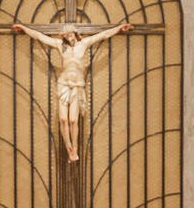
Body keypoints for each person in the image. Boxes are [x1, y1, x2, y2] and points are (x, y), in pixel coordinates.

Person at [11, 20, 133, 163]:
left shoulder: (84, 44)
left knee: (73, 120)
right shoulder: (60, 46)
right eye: (66, 35)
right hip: (64, 84)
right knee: (63, 119)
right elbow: (39, 37)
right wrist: (24, 28)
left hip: (77, 85)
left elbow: (104, 35)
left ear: (75, 34)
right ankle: (69, 149)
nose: (69, 37)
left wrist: (119, 28)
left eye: (70, 34)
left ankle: (74, 148)